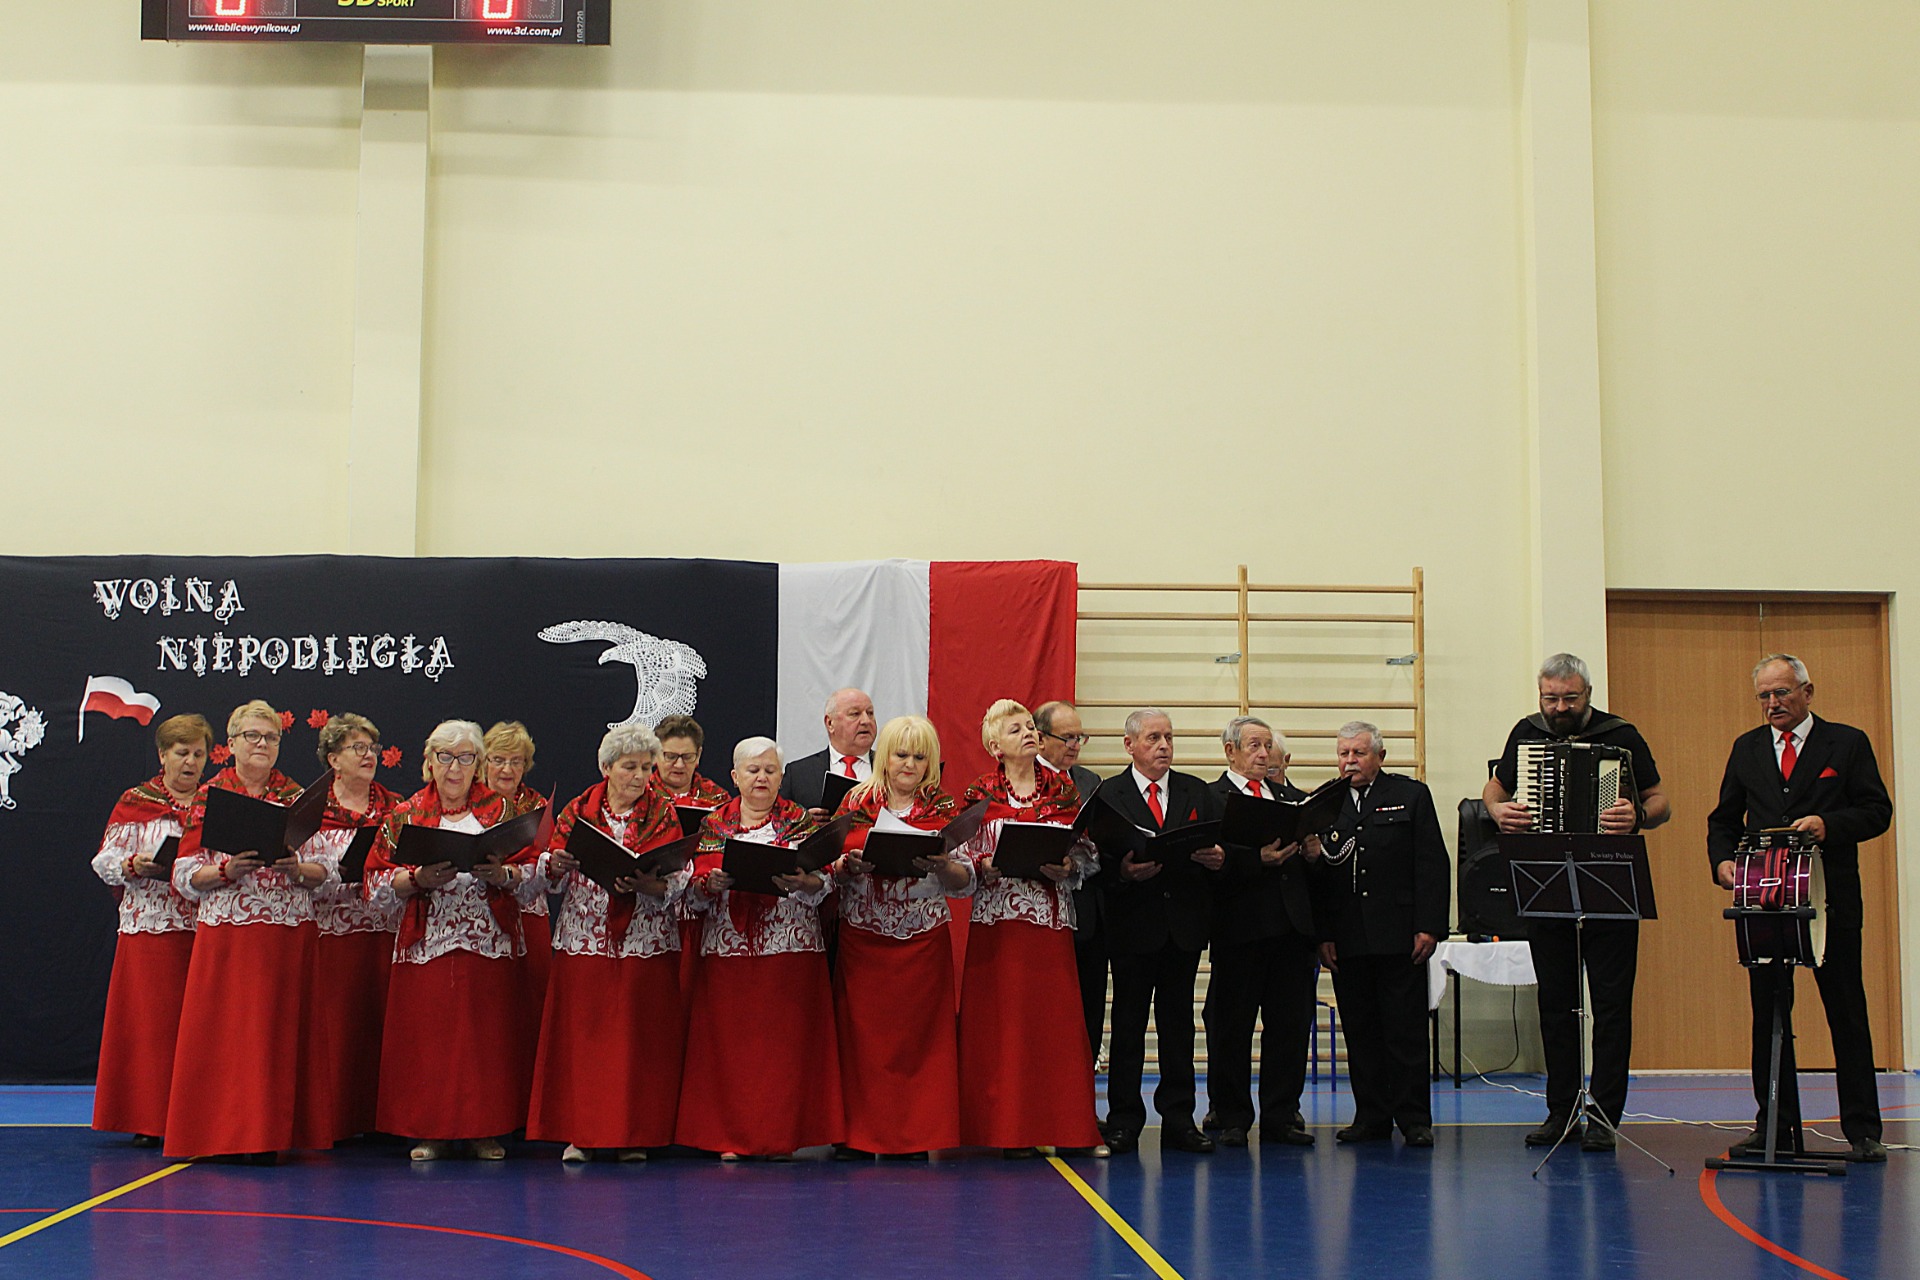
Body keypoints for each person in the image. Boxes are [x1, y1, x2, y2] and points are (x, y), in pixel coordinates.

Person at [1482, 653, 1671, 1152]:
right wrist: (1498, 811)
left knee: (1611, 1006)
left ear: (1587, 694)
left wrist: (1637, 817)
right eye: (1551, 698)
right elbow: (1495, 786)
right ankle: (1560, 1111)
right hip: (1546, 882)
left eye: (1570, 698)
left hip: (1609, 880)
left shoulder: (1620, 735)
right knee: (1556, 1005)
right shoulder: (1526, 733)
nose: (1560, 708)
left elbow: (1660, 801)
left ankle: (1605, 1115)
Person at [1707, 654, 1891, 1163]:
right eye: (1764, 696)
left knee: (1846, 1010)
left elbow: (1877, 811)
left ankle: (1863, 1130)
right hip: (1765, 901)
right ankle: (1775, 1126)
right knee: (1768, 1012)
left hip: (1830, 899)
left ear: (1807, 692)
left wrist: (1829, 825)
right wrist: (1722, 862)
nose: (1773, 704)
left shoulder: (1847, 743)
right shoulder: (1747, 748)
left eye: (1782, 693)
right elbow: (1723, 820)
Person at [365, 720, 547, 1161]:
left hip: (488, 940)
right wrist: (416, 879)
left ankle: (486, 1129)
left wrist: (503, 874)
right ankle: (431, 1130)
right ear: (429, 762)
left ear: (477, 764)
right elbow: (372, 884)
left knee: (487, 1039)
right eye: (445, 757)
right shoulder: (405, 815)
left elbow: (536, 875)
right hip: (427, 943)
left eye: (465, 758)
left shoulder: (502, 813)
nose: (454, 768)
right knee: (430, 1038)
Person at [164, 700, 333, 1161]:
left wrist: (298, 868)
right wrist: (225, 870)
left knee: (275, 1037)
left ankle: (271, 1136)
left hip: (286, 934)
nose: (262, 744)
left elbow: (328, 872)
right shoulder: (210, 796)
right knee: (228, 1036)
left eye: (271, 737)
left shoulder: (297, 797)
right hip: (229, 934)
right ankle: (221, 1134)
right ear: (231, 743)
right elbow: (183, 873)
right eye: (253, 736)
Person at [675, 738, 845, 1159]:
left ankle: (781, 1137)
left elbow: (826, 879)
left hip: (791, 953)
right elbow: (690, 888)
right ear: (735, 777)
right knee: (733, 1050)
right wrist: (709, 884)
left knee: (784, 1050)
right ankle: (731, 1137)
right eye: (753, 770)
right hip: (729, 953)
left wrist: (807, 882)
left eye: (770, 770)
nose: (762, 778)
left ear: (781, 777)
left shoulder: (801, 822)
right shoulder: (712, 825)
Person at [529, 724, 689, 1162]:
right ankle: (582, 1133)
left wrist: (651, 885)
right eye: (629, 767)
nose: (639, 777)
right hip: (586, 938)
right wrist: (556, 864)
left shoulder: (664, 813)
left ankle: (633, 1134)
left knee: (637, 1042)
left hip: (643, 940)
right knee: (585, 1040)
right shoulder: (577, 809)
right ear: (606, 768)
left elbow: (679, 876)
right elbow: (548, 871)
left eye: (646, 768)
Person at [956, 701, 1105, 1157]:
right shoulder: (979, 792)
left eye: (1029, 727)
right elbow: (958, 856)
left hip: (1049, 922)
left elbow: (1086, 851)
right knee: (1004, 1030)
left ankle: (1069, 1127)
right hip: (998, 926)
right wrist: (981, 866)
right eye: (1015, 729)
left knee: (1055, 1027)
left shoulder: (1061, 788)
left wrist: (1069, 866)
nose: (1028, 734)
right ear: (995, 746)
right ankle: (1010, 1130)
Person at [830, 715, 971, 1158]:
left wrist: (943, 866)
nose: (909, 764)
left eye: (919, 757)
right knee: (862, 1041)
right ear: (884, 758)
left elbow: (965, 881)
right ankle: (858, 1136)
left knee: (919, 1042)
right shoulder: (854, 800)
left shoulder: (944, 808)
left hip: (923, 940)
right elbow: (828, 865)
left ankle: (915, 1136)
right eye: (901, 754)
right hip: (864, 939)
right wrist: (846, 865)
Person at [1090, 708, 1225, 1157]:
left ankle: (1180, 1119)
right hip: (1132, 927)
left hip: (1182, 926)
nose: (1163, 745)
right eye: (1153, 738)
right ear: (1129, 745)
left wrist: (1219, 859)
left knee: (1178, 1026)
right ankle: (1124, 1120)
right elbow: (1094, 865)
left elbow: (1218, 845)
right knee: (1128, 1026)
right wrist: (1123, 873)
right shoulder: (1108, 794)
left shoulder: (1196, 791)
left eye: (1168, 737)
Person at [1309, 721, 1449, 1148]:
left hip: (1399, 935)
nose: (1349, 761)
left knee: (1405, 1032)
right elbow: (1320, 879)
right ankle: (1371, 1116)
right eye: (1343, 754)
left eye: (1359, 753)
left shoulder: (1410, 795)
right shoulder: (1325, 802)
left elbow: (1431, 863)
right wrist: (1323, 934)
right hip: (1347, 937)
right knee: (1361, 1031)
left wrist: (1429, 926)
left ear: (1380, 757)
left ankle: (1414, 1119)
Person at [91, 713, 214, 1147]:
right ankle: (150, 1118)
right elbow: (104, 861)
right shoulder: (135, 801)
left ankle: (197, 1117)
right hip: (152, 927)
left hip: (205, 928)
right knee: (153, 1026)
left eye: (198, 754)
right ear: (162, 755)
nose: (191, 762)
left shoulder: (215, 803)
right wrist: (132, 865)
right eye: (182, 753)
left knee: (200, 1027)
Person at [1203, 716, 1320, 1148]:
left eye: (1267, 746)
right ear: (1230, 751)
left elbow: (1311, 868)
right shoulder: (1211, 798)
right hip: (1239, 928)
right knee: (1232, 1027)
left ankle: (1281, 1114)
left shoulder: (1291, 797)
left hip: (1291, 929)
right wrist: (1256, 859)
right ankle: (1232, 1115)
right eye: (1253, 745)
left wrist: (1314, 853)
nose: (1263, 753)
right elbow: (1209, 863)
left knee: (1290, 1026)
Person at [303, 712, 402, 1144]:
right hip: (334, 935)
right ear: (333, 759)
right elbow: (298, 868)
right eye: (357, 748)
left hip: (386, 932)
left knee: (384, 1027)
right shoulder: (311, 809)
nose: (368, 756)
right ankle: (336, 1120)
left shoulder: (399, 808)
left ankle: (385, 1119)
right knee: (338, 1029)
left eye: (372, 748)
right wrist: (333, 873)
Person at [1034, 700, 1108, 1063]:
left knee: (1088, 1010)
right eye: (1067, 738)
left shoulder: (1090, 782)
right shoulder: (1022, 780)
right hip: (1037, 912)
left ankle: (1084, 1085)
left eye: (1080, 737)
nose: (1075, 745)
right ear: (1040, 738)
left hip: (1086, 913)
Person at [483, 721, 552, 1023]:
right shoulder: (469, 804)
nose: (507, 769)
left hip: (528, 916)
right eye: (498, 760)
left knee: (529, 1001)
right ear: (484, 762)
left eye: (516, 761)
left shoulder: (537, 806)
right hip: (482, 915)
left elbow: (545, 862)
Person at [780, 688, 877, 816]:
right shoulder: (798, 774)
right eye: (854, 714)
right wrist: (804, 821)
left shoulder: (892, 768)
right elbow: (778, 820)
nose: (866, 721)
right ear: (830, 723)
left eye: (870, 713)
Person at [653, 714, 732, 808]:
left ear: (698, 755)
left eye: (687, 757)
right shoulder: (641, 795)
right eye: (671, 756)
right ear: (655, 755)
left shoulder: (719, 799)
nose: (679, 765)